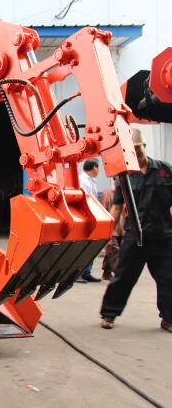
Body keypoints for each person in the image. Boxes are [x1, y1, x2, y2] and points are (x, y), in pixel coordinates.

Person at [100, 128, 172, 333]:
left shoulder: (165, 170)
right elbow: (116, 208)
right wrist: (108, 236)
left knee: (168, 279)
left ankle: (168, 319)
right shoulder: (125, 176)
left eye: (137, 148)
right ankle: (109, 314)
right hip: (135, 237)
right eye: (130, 149)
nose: (135, 152)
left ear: (144, 146)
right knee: (123, 277)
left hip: (163, 236)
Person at [79, 158, 102, 282]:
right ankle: (79, 273)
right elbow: (84, 200)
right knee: (84, 246)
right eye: (98, 167)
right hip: (86, 217)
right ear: (94, 167)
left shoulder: (92, 181)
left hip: (93, 216)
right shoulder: (81, 180)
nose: (99, 170)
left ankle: (87, 272)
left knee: (92, 245)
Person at [100, 180, 125, 280]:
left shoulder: (126, 192)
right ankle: (119, 273)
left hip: (122, 228)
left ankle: (106, 272)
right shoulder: (107, 193)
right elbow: (103, 209)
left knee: (110, 252)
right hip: (112, 227)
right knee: (115, 251)